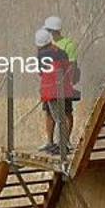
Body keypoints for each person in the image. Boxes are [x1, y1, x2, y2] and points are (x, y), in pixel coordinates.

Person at [37, 28, 74, 156]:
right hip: (64, 89)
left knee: (58, 118)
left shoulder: (42, 55)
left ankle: (62, 146)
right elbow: (67, 69)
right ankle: (63, 144)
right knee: (62, 117)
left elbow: (41, 72)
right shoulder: (62, 52)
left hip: (51, 91)